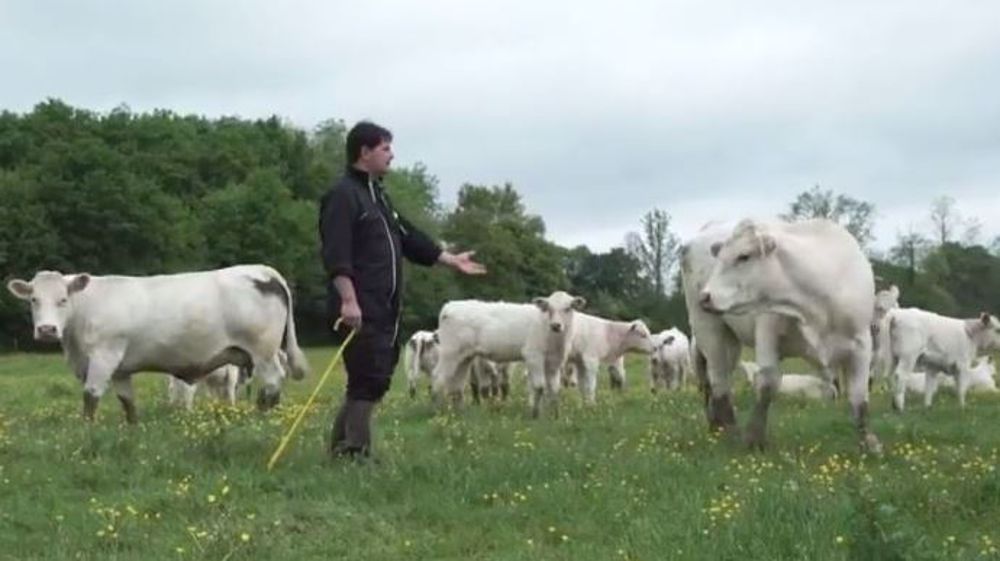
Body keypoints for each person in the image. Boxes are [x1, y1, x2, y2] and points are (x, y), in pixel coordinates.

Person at [318, 121, 485, 461]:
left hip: (385, 305)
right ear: (364, 152)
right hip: (359, 305)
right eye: (385, 148)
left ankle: (342, 450)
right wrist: (348, 299)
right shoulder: (343, 195)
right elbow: (336, 253)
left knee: (372, 377)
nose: (391, 155)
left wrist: (451, 260)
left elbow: (410, 238)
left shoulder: (377, 195)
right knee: (368, 376)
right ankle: (356, 453)